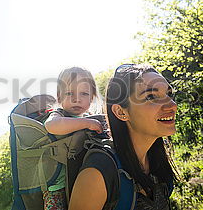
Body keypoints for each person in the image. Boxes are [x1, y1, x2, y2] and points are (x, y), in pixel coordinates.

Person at [69, 64, 178, 210]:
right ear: (121, 112)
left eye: (169, 94)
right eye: (151, 96)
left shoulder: (156, 161)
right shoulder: (98, 173)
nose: (172, 105)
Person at [43, 66, 103, 210]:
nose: (77, 99)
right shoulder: (60, 114)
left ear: (92, 97)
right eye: (69, 93)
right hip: (57, 185)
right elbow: (51, 125)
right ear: (59, 97)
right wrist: (87, 123)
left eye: (84, 93)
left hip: (79, 179)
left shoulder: (89, 117)